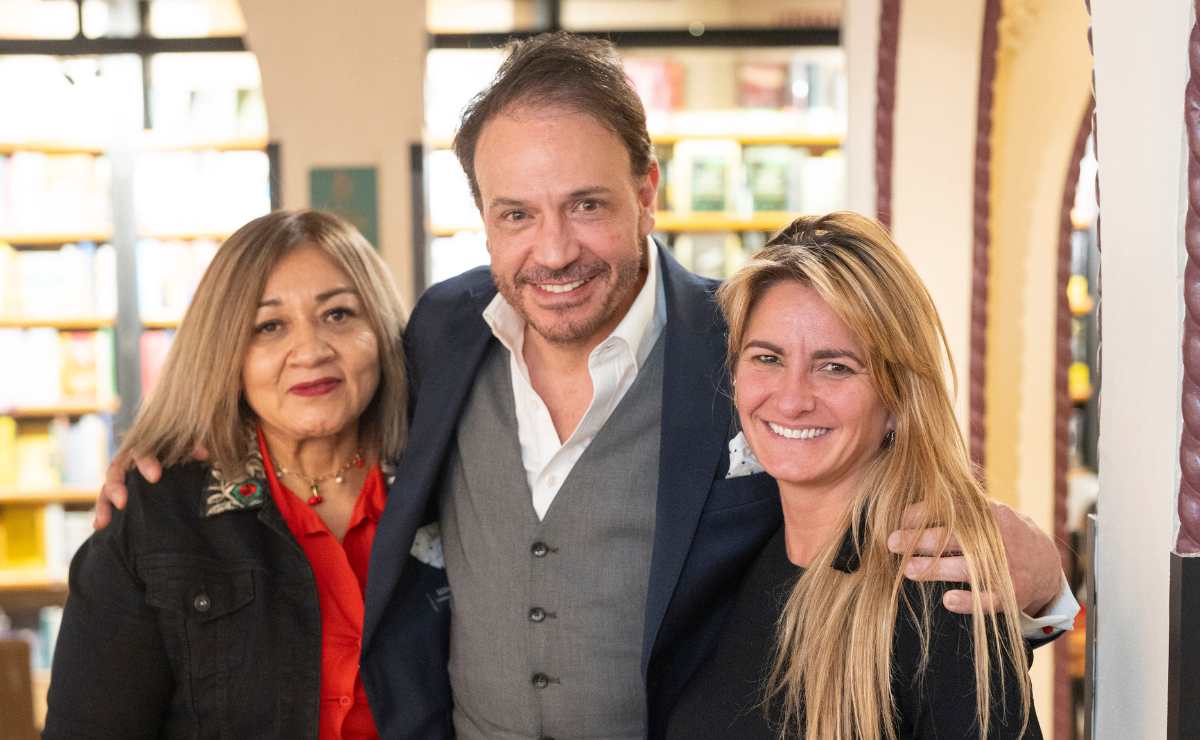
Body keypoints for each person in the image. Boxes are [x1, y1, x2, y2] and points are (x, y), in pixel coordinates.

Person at [96, 33, 1074, 740]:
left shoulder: (745, 351)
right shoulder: (437, 336)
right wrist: (180, 455)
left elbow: (877, 488)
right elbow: (309, 392)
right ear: (480, 215)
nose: (553, 250)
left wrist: (1039, 588)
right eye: (516, 213)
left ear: (648, 188)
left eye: (588, 206)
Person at [48, 210, 451, 739]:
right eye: (269, 326)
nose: (310, 351)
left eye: (338, 315)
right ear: (226, 355)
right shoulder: (153, 520)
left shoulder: (449, 486)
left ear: (379, 329)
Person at [666, 212, 1041, 739]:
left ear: (896, 398)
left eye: (835, 366)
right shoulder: (741, 548)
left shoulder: (938, 594)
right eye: (767, 358)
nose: (792, 399)